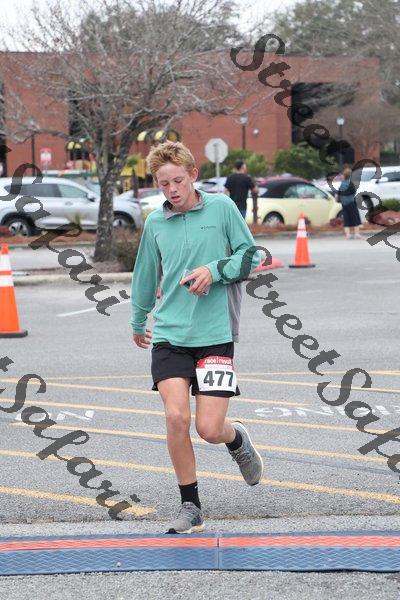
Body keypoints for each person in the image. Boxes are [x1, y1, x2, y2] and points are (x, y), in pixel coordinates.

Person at [130, 141, 264, 534]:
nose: (172, 189)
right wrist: (138, 320)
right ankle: (191, 506)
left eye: (177, 180)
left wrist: (214, 270)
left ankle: (236, 440)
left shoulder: (222, 208)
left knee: (209, 429)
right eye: (163, 183)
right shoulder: (156, 223)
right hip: (170, 334)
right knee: (176, 417)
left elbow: (253, 256)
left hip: (215, 334)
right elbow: (145, 275)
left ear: (193, 175)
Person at [337, 167, 363, 239]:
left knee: (346, 218)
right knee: (355, 217)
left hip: (344, 203)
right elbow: (354, 192)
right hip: (351, 202)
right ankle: (356, 234)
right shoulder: (351, 183)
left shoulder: (342, 183)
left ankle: (348, 235)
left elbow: (339, 193)